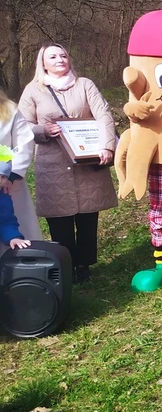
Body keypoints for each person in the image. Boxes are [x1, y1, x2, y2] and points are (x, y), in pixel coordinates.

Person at [18, 44, 117, 283]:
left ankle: (84, 267)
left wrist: (107, 146)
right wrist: (43, 129)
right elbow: (21, 126)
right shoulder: (33, 90)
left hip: (87, 162)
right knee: (59, 220)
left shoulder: (85, 85)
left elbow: (103, 114)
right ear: (43, 63)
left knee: (87, 218)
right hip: (53, 166)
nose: (59, 59)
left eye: (63, 55)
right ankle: (65, 266)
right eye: (53, 56)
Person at [0, 89, 42, 250]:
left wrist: (10, 175)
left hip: (6, 183)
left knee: (14, 231)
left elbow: (24, 143)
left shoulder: (9, 109)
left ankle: (21, 271)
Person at [0, 151, 32, 251]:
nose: (0, 180)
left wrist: (13, 237)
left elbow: (6, 221)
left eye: (3, 176)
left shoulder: (3, 198)